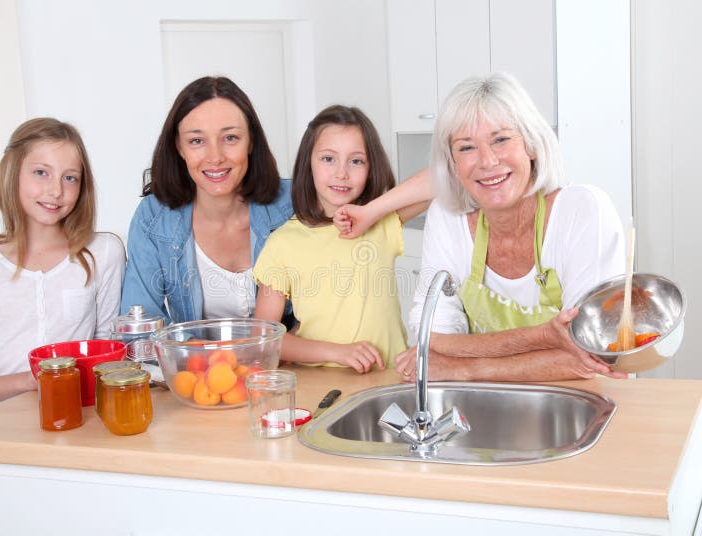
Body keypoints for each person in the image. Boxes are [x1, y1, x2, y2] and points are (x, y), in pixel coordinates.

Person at [336, 72, 627, 382]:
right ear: (452, 164)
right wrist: (545, 338)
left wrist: (463, 367)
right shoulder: (448, 219)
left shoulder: (581, 210)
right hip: (482, 405)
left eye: (501, 139)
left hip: (585, 403)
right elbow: (432, 338)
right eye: (466, 148)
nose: (487, 161)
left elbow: (590, 356)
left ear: (530, 144)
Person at [0, 118, 125, 415]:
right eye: (40, 173)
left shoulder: (103, 253)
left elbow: (106, 356)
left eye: (70, 177)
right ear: (13, 174)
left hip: (73, 419)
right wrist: (30, 380)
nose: (56, 190)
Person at [253, 105, 428, 373]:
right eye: (328, 159)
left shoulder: (381, 223)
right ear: (307, 163)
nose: (342, 173)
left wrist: (371, 212)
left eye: (356, 161)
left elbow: (444, 178)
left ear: (371, 167)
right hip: (321, 386)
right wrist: (338, 353)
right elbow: (263, 340)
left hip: (388, 382)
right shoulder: (283, 243)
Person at [121, 76, 293, 325]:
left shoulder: (294, 203)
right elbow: (140, 324)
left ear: (251, 141)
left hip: (292, 362)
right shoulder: (154, 218)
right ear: (179, 147)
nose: (215, 157)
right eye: (197, 141)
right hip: (196, 363)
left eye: (230, 138)